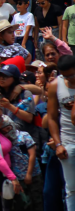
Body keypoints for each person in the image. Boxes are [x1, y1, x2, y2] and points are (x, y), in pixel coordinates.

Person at [47, 55, 75, 211]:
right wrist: (58, 144)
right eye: (66, 76)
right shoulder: (55, 85)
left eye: (72, 75)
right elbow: (51, 117)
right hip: (68, 140)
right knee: (71, 189)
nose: (70, 79)